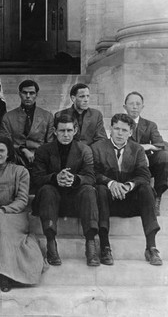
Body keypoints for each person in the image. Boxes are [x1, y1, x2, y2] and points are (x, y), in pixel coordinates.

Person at [0, 136, 44, 292]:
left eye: (1, 150)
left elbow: (22, 200)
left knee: (0, 223)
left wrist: (4, 210)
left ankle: (4, 275)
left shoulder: (20, 172)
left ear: (8, 154)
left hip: (15, 215)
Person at [92, 113, 162, 266]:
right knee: (100, 189)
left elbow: (144, 175)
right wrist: (111, 183)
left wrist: (128, 186)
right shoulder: (97, 148)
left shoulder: (137, 149)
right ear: (110, 129)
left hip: (129, 202)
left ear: (130, 132)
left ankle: (151, 247)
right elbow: (93, 173)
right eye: (116, 129)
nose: (119, 133)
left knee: (146, 189)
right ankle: (105, 247)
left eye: (124, 130)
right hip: (107, 202)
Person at [31, 114, 101, 266]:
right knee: (47, 190)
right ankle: (51, 244)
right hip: (50, 201)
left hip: (75, 200)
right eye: (62, 131)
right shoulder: (43, 150)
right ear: (55, 131)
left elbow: (91, 177)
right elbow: (36, 178)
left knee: (89, 190)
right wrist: (55, 178)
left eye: (69, 130)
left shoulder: (84, 150)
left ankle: (90, 244)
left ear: (75, 130)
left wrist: (75, 179)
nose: (66, 134)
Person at [123, 91, 168, 215]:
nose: (135, 107)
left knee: (164, 156)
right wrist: (140, 148)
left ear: (142, 107)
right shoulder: (119, 123)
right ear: (125, 107)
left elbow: (164, 145)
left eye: (138, 104)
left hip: (146, 164)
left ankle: (157, 197)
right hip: (126, 163)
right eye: (131, 104)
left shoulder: (150, 125)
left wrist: (149, 146)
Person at [0, 79, 55, 168]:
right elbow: (6, 142)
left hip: (41, 159)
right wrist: (23, 149)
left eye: (32, 93)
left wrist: (38, 154)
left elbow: (50, 143)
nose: (28, 96)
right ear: (19, 94)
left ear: (37, 95)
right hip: (15, 158)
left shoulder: (47, 116)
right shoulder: (8, 117)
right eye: (24, 93)